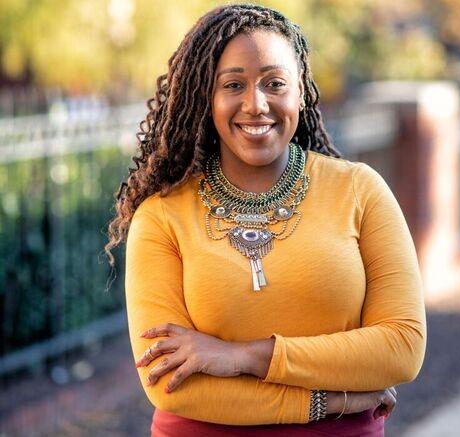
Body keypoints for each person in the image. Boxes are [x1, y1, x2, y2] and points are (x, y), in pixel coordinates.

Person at [104, 4, 426, 436]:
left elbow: (402, 347)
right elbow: (170, 384)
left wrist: (244, 356)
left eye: (274, 83)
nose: (255, 105)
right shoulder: (162, 216)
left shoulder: (359, 191)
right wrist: (326, 401)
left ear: (300, 92)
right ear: (206, 96)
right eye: (233, 84)